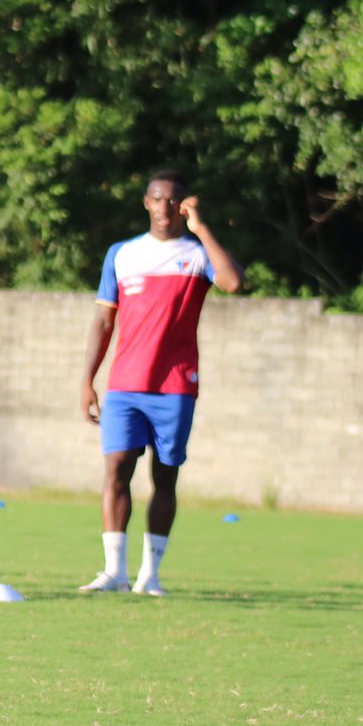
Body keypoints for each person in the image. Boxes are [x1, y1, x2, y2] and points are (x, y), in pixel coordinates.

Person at [78, 171, 244, 596]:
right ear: (146, 203)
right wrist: (87, 380)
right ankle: (114, 572)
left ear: (184, 206)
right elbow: (103, 321)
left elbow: (232, 282)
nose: (164, 207)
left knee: (165, 477)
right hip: (124, 386)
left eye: (174, 201)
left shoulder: (197, 254)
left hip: (175, 386)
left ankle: (150, 575)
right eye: (157, 199)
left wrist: (201, 227)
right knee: (116, 470)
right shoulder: (123, 254)